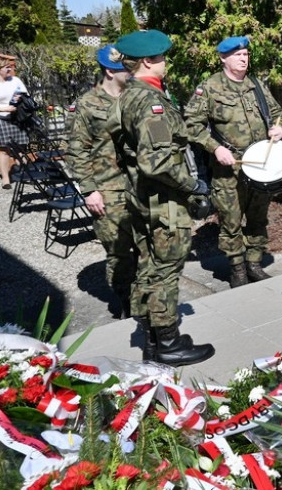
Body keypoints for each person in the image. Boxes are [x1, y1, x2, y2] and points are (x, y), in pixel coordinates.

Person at [111, 29, 215, 366]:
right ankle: (169, 343)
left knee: (150, 265)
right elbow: (156, 161)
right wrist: (192, 185)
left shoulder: (132, 95)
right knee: (166, 269)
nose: (166, 63)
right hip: (162, 200)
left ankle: (154, 337)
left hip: (144, 196)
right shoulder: (149, 101)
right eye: (162, 57)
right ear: (147, 61)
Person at [185, 36, 282, 288]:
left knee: (258, 217)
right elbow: (190, 125)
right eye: (238, 55)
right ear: (223, 58)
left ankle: (253, 263)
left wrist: (279, 129)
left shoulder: (257, 85)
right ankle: (237, 269)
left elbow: (277, 114)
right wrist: (215, 147)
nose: (244, 58)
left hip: (260, 166)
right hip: (228, 168)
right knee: (230, 220)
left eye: (246, 54)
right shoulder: (209, 88)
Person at [66, 45, 137, 319]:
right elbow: (76, 150)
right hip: (107, 191)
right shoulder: (87, 104)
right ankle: (126, 303)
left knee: (146, 247)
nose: (131, 73)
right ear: (110, 70)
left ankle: (146, 301)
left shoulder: (136, 98)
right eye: (126, 69)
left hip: (140, 187)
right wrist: (89, 189)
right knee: (118, 252)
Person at [0, 53, 28, 189]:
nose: (10, 69)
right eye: (6, 67)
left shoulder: (15, 80)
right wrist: (5, 108)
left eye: (10, 66)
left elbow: (25, 95)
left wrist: (20, 100)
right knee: (4, 148)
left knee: (21, 147)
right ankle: (6, 180)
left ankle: (25, 174)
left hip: (17, 117)